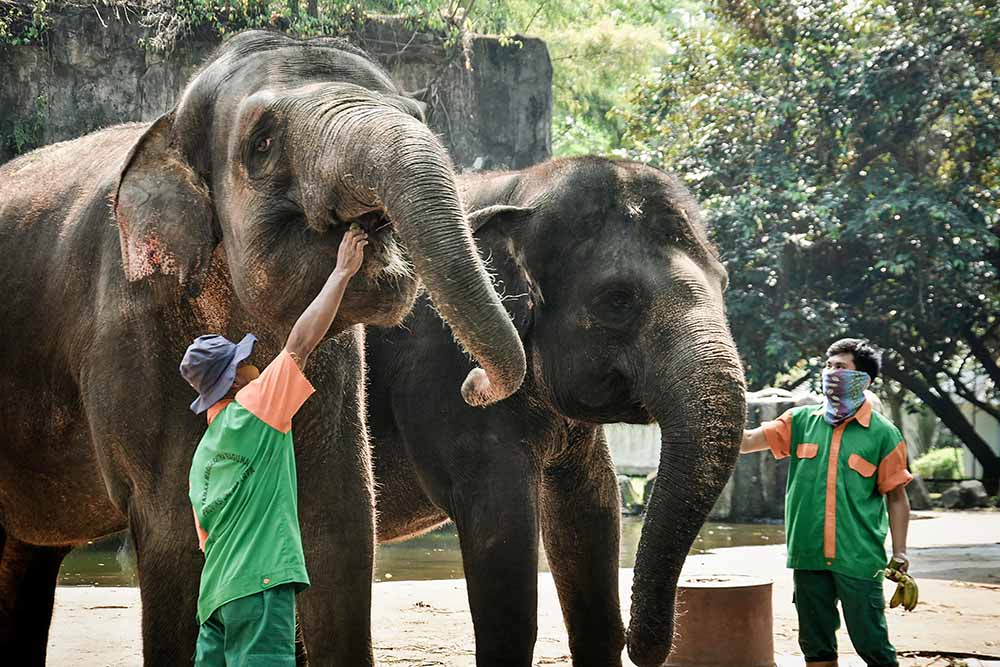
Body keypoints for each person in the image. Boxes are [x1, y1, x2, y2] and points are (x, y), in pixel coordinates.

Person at [179, 227, 368, 666]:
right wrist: (341, 272)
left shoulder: (201, 457)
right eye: (245, 362)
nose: (254, 365)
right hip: (260, 587)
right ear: (233, 378)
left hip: (215, 599)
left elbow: (206, 542)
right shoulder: (256, 409)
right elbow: (300, 346)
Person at [741, 338, 913, 667]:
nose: (831, 373)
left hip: (860, 558)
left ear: (863, 379)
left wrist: (901, 551)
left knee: (872, 643)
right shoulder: (800, 421)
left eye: (841, 367)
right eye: (828, 366)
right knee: (816, 643)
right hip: (808, 554)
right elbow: (747, 442)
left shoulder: (884, 434)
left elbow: (897, 496)